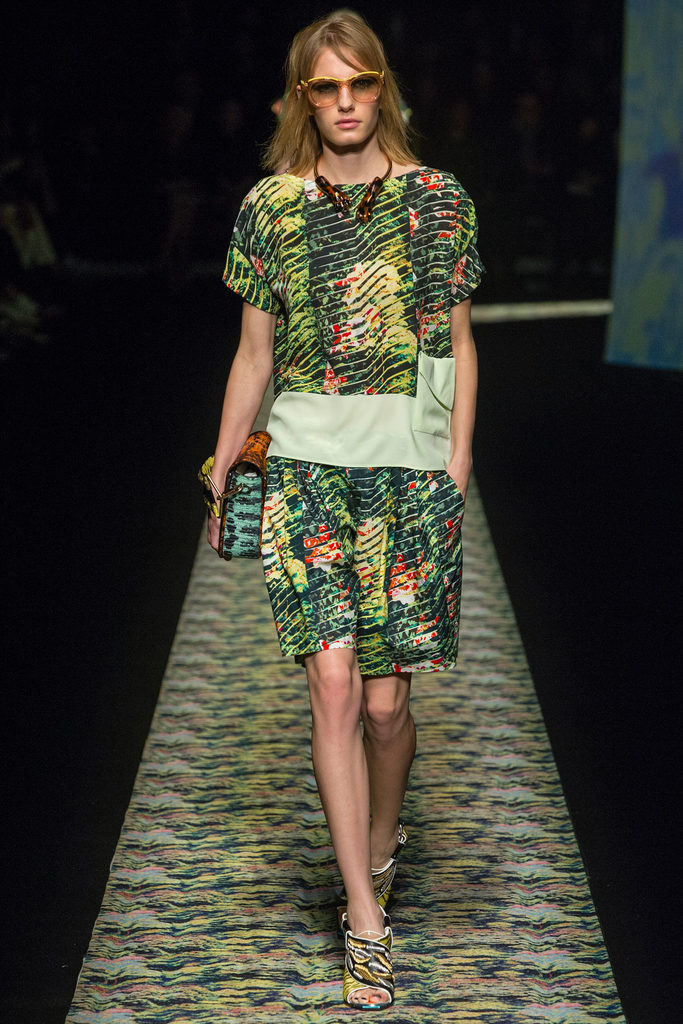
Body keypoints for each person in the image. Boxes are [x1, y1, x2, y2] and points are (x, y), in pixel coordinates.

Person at [206, 9, 484, 1009]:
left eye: (359, 82)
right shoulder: (269, 206)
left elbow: (457, 340)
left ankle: (379, 841)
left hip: (406, 470)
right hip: (308, 466)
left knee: (384, 704)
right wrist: (225, 465)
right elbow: (253, 354)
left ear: (383, 87)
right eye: (324, 87)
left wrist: (454, 462)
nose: (344, 101)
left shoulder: (438, 201)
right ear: (302, 99)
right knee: (330, 686)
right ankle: (363, 917)